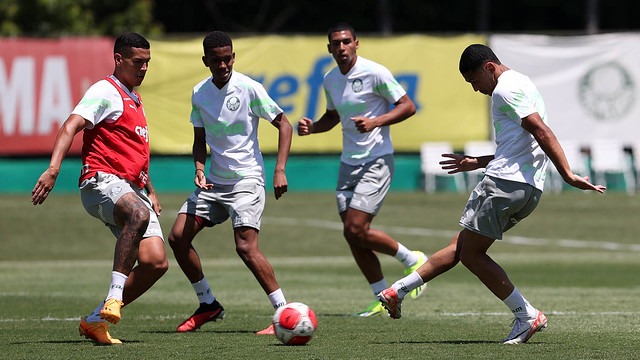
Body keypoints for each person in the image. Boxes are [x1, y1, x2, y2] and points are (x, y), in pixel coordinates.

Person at [377, 44, 606, 344]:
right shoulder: (523, 82)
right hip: (527, 188)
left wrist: (568, 175)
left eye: (473, 81)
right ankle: (398, 291)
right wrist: (479, 162)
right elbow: (521, 144)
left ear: (488, 68)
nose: (475, 89)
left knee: (471, 254)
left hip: (504, 185)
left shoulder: (504, 90)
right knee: (462, 245)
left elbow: (542, 132)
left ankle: (526, 315)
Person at [31, 32, 168, 345]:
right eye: (138, 62)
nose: (144, 68)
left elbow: (134, 154)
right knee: (136, 213)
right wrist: (53, 170)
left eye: (148, 62)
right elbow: (71, 125)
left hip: (131, 186)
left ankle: (94, 322)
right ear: (118, 59)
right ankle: (114, 298)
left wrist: (151, 189)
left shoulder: (134, 98)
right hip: (100, 182)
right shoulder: (106, 90)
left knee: (156, 262)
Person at [297, 22, 428, 317]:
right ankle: (382, 297)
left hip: (377, 160)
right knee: (352, 234)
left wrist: (375, 122)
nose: (341, 47)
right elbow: (333, 116)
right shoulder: (330, 79)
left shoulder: (375, 72)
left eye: (346, 42)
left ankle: (413, 258)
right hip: (348, 164)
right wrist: (313, 128)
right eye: (335, 43)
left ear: (357, 43)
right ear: (329, 49)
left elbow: (408, 106)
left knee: (356, 227)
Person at [168, 31, 293, 335]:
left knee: (245, 247)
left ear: (234, 57)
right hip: (214, 183)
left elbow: (284, 125)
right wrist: (199, 167)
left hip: (247, 180)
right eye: (216, 60)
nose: (223, 65)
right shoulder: (199, 92)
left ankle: (284, 312)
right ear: (205, 61)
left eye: (228, 59)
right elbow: (200, 140)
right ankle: (208, 303)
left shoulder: (250, 88)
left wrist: (279, 170)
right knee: (177, 238)